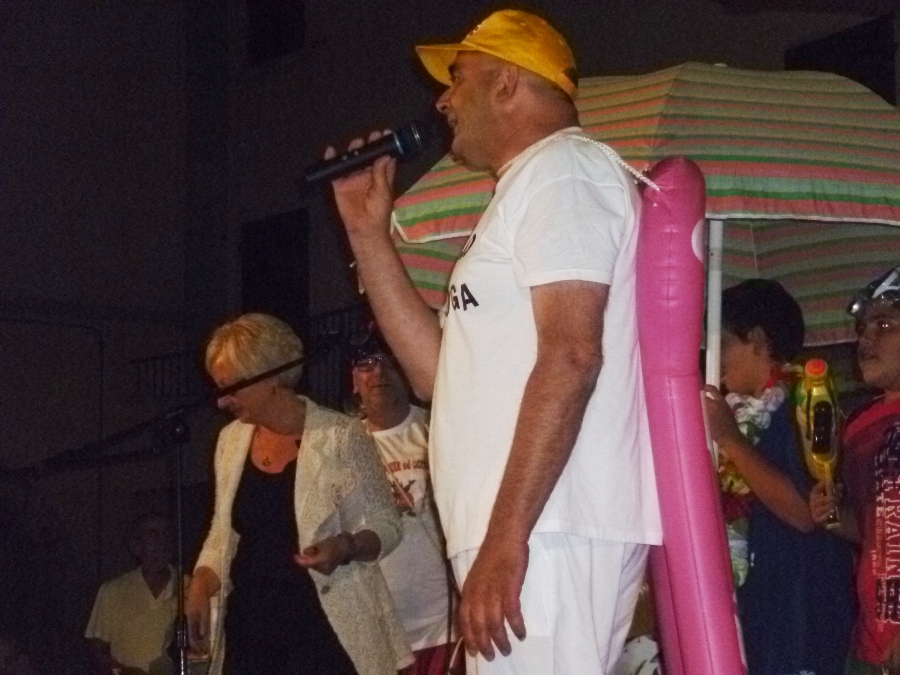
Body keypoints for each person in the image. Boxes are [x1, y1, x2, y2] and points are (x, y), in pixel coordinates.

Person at [329, 9, 662, 673]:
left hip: (549, 527)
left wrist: (509, 539)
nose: (442, 100)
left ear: (508, 83)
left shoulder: (563, 171)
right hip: (529, 530)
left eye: (458, 78)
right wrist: (368, 234)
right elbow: (435, 376)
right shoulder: (528, 188)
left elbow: (572, 355)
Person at [185, 313, 411, 675]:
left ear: (269, 377)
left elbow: (387, 524)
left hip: (322, 632)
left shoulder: (340, 436)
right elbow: (223, 530)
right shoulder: (230, 441)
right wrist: (202, 581)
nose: (221, 402)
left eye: (230, 387)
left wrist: (345, 546)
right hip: (251, 634)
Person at [703, 279, 855, 675]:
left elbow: (806, 513)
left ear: (756, 340)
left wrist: (729, 438)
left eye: (723, 344)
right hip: (759, 613)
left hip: (801, 614)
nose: (714, 359)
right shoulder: (732, 416)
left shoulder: (807, 404)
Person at [349, 331, 462, 674]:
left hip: (443, 624)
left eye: (389, 362)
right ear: (353, 381)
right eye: (366, 364)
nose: (378, 372)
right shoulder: (342, 444)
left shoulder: (437, 426)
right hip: (379, 630)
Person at [811, 265, 900, 675]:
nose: (865, 338)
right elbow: (874, 528)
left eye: (885, 325)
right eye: (862, 328)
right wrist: (831, 516)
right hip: (869, 643)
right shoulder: (860, 425)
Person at [84, 512, 177, 675]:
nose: (162, 541)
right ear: (136, 547)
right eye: (153, 534)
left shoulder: (189, 589)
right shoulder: (113, 591)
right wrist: (122, 672)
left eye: (167, 533)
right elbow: (97, 651)